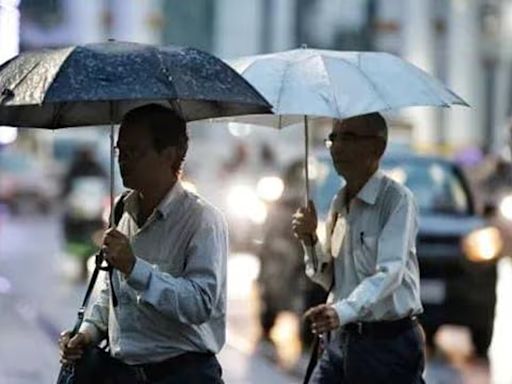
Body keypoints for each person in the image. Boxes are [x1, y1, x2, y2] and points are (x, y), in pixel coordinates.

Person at [58, 104, 228, 383]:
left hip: (181, 374)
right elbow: (111, 297)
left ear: (169, 155)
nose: (123, 160)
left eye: (134, 151)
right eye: (119, 151)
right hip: (119, 373)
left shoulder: (202, 221)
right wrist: (86, 334)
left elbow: (199, 304)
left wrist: (134, 268)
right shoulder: (121, 211)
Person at [292, 113, 425, 384]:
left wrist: (341, 311)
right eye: (333, 138)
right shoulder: (339, 203)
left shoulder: (396, 200)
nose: (337, 147)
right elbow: (329, 277)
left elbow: (389, 272)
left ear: (377, 148)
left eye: (348, 138)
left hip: (386, 345)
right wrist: (309, 240)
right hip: (342, 340)